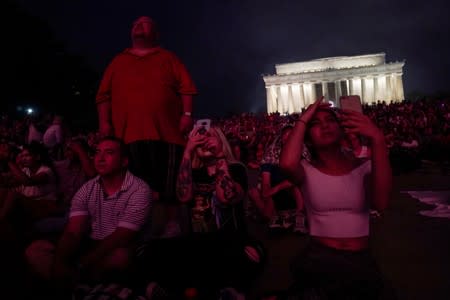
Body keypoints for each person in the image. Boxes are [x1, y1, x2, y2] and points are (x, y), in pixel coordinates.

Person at [279, 97, 394, 299]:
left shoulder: (365, 167)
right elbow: (287, 164)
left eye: (330, 121)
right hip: (320, 257)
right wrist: (304, 118)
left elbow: (381, 202)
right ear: (307, 138)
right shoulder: (305, 170)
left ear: (341, 128)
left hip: (359, 259)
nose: (325, 127)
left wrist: (377, 138)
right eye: (316, 124)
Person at [96, 16, 197, 237]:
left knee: (169, 184)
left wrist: (187, 114)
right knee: (137, 188)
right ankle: (136, 229)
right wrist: (104, 123)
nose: (138, 24)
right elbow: (103, 96)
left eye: (145, 22)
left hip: (168, 133)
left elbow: (186, 88)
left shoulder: (168, 58)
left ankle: (172, 226)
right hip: (128, 135)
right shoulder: (118, 61)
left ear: (156, 33)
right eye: (134, 23)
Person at [135, 126, 265, 298]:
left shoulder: (236, 169)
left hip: (228, 239)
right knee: (149, 250)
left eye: (211, 137)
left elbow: (227, 197)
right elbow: (183, 196)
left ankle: (219, 289)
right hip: (196, 241)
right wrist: (188, 152)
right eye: (200, 138)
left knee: (251, 254)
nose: (204, 140)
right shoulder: (189, 171)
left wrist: (219, 156)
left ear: (222, 142)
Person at [25, 137, 152, 294]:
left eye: (109, 153)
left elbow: (121, 237)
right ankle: (77, 285)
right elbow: (73, 232)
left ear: (124, 162)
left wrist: (82, 265)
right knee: (36, 250)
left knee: (121, 257)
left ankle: (79, 285)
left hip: (118, 247)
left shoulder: (139, 189)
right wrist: (60, 264)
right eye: (97, 152)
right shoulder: (87, 188)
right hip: (89, 244)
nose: (100, 157)